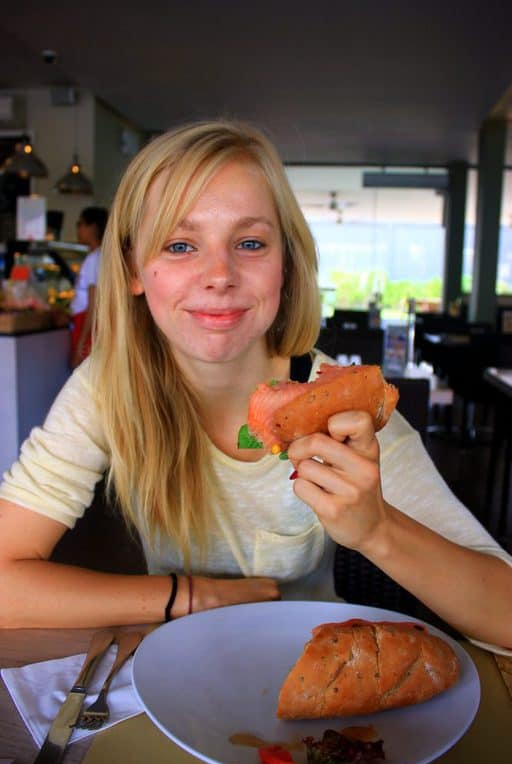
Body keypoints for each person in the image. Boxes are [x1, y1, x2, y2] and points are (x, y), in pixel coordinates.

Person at [0, 120, 511, 650]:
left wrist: (377, 530)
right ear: (133, 268)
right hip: (175, 675)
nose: (219, 274)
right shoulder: (107, 388)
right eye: (179, 245)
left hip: (306, 679)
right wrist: (193, 596)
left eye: (249, 242)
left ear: (285, 266)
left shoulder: (340, 405)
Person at [69, 206, 109, 369]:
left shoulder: (95, 258)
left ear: (92, 227)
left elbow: (94, 302)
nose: (78, 229)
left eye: (80, 224)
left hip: (88, 323)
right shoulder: (100, 255)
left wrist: (82, 342)